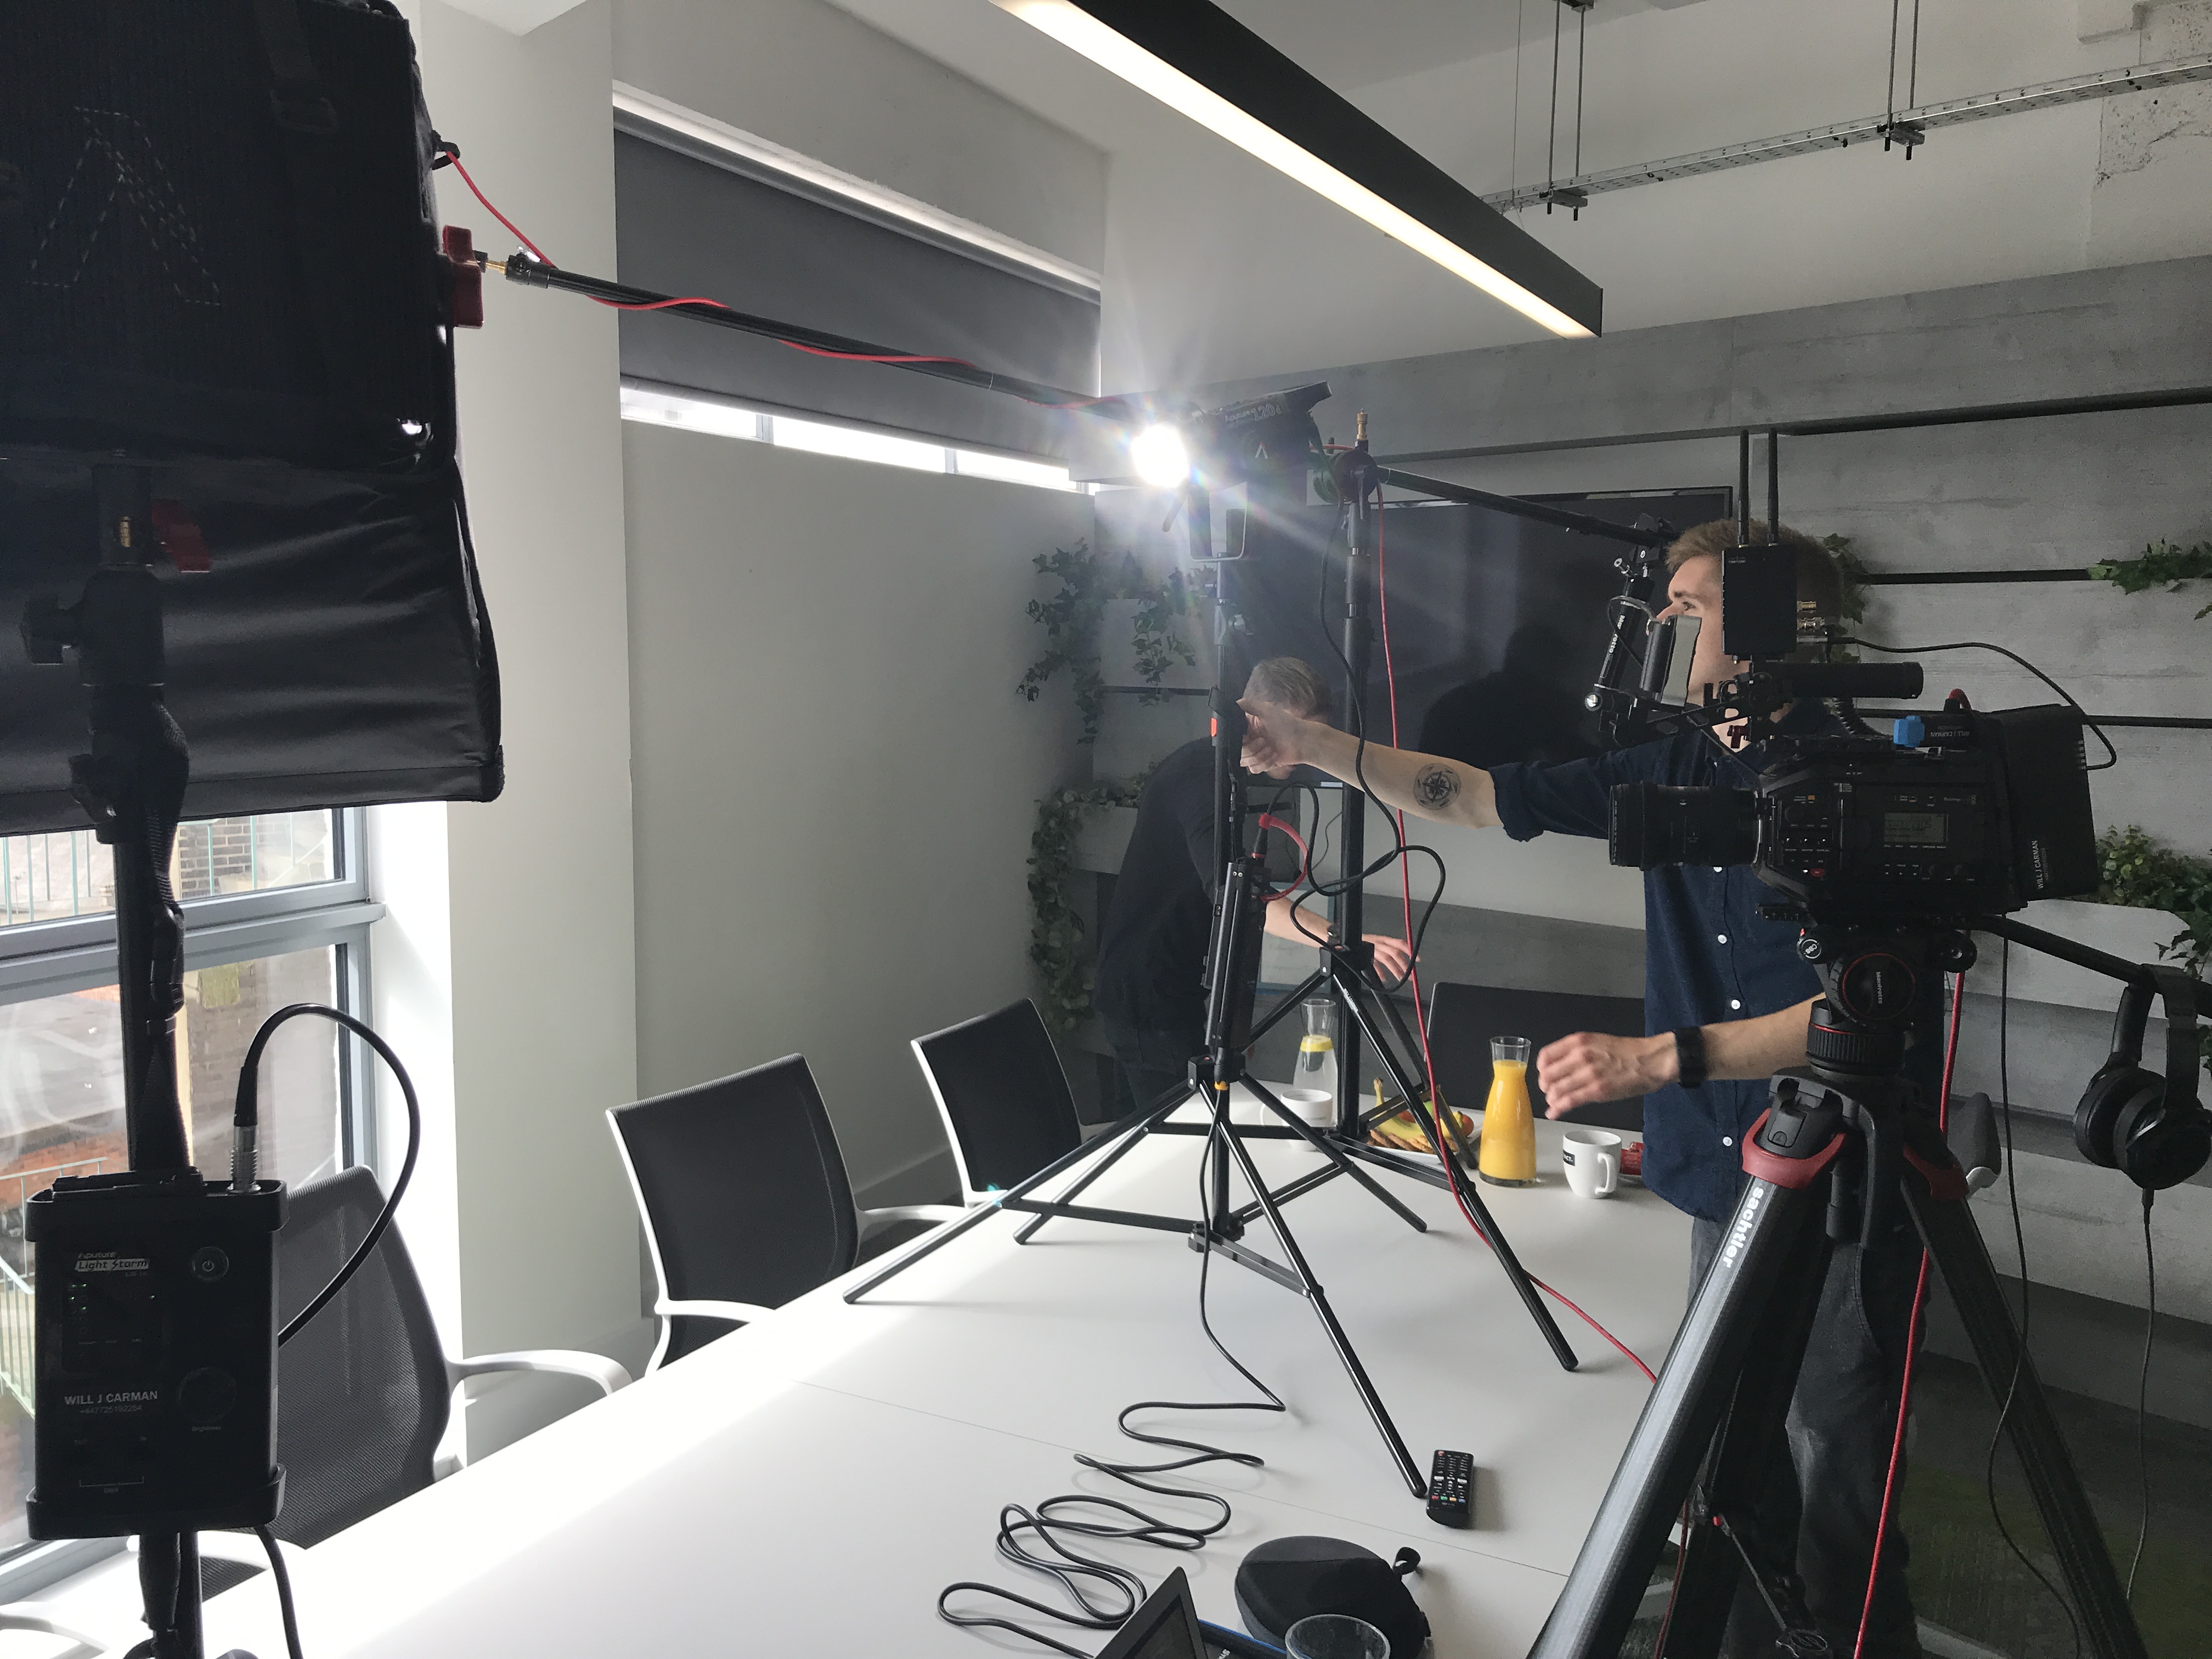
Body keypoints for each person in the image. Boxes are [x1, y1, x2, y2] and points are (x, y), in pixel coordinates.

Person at [1239, 523, 1932, 1658]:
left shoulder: (1862, 782)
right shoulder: (1669, 766)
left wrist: (1662, 1059)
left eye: (1692, 605)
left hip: (1849, 1185)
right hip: (1723, 1174)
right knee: (1732, 1460)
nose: (1663, 626)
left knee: (1840, 1475)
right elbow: (1465, 795)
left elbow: (1869, 1010)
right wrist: (1316, 743)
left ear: (1774, 629)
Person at [1093, 656, 1413, 1113]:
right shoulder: (1200, 777)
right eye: (1299, 733)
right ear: (1255, 718)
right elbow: (1235, 898)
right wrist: (1342, 939)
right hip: (1148, 998)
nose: (1305, 751)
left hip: (1178, 993)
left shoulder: (1224, 774)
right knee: (1177, 1145)